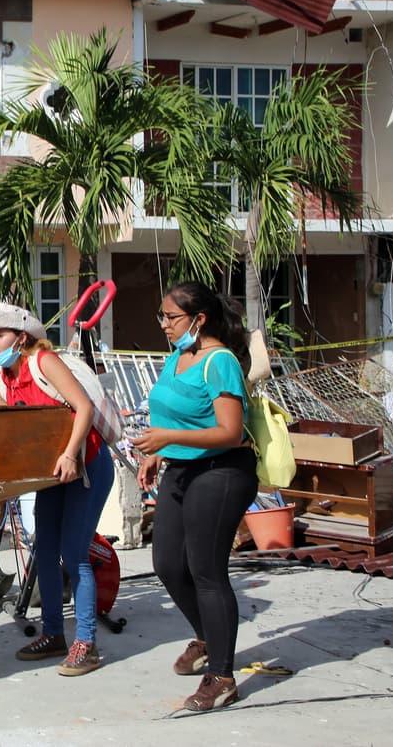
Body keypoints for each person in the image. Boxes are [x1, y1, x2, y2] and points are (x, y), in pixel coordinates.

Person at [0, 302, 115, 677]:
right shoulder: (1, 380)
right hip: (51, 474)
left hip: (86, 465)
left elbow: (83, 408)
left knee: (74, 554)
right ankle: (53, 634)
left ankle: (87, 644)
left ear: (21, 338)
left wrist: (69, 455)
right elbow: (15, 433)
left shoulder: (44, 362)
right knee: (45, 551)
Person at [133, 281, 256, 712]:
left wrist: (167, 439)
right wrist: (159, 453)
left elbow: (230, 432)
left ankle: (222, 676)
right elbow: (175, 415)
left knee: (207, 571)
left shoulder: (220, 362)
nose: (163, 324)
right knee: (168, 564)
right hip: (181, 470)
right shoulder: (178, 357)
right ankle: (208, 637)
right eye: (162, 316)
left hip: (222, 472)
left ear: (199, 319)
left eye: (171, 317)